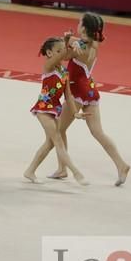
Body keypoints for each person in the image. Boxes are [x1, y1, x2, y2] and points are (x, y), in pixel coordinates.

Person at [49, 13, 131, 186]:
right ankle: (121, 164)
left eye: (79, 23)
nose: (77, 25)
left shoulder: (81, 47)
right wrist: (70, 39)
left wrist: (68, 40)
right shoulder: (94, 44)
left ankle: (63, 168)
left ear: (84, 28)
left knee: (58, 129)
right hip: (90, 90)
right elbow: (77, 43)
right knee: (97, 132)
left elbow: (63, 57)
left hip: (78, 91)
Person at [23, 35, 89, 186]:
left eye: (63, 50)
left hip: (55, 108)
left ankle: (30, 170)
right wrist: (67, 43)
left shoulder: (64, 72)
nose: (63, 52)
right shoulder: (48, 66)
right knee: (58, 140)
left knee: (50, 143)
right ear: (49, 53)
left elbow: (69, 95)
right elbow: (62, 55)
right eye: (58, 50)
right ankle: (76, 173)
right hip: (43, 108)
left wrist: (75, 113)